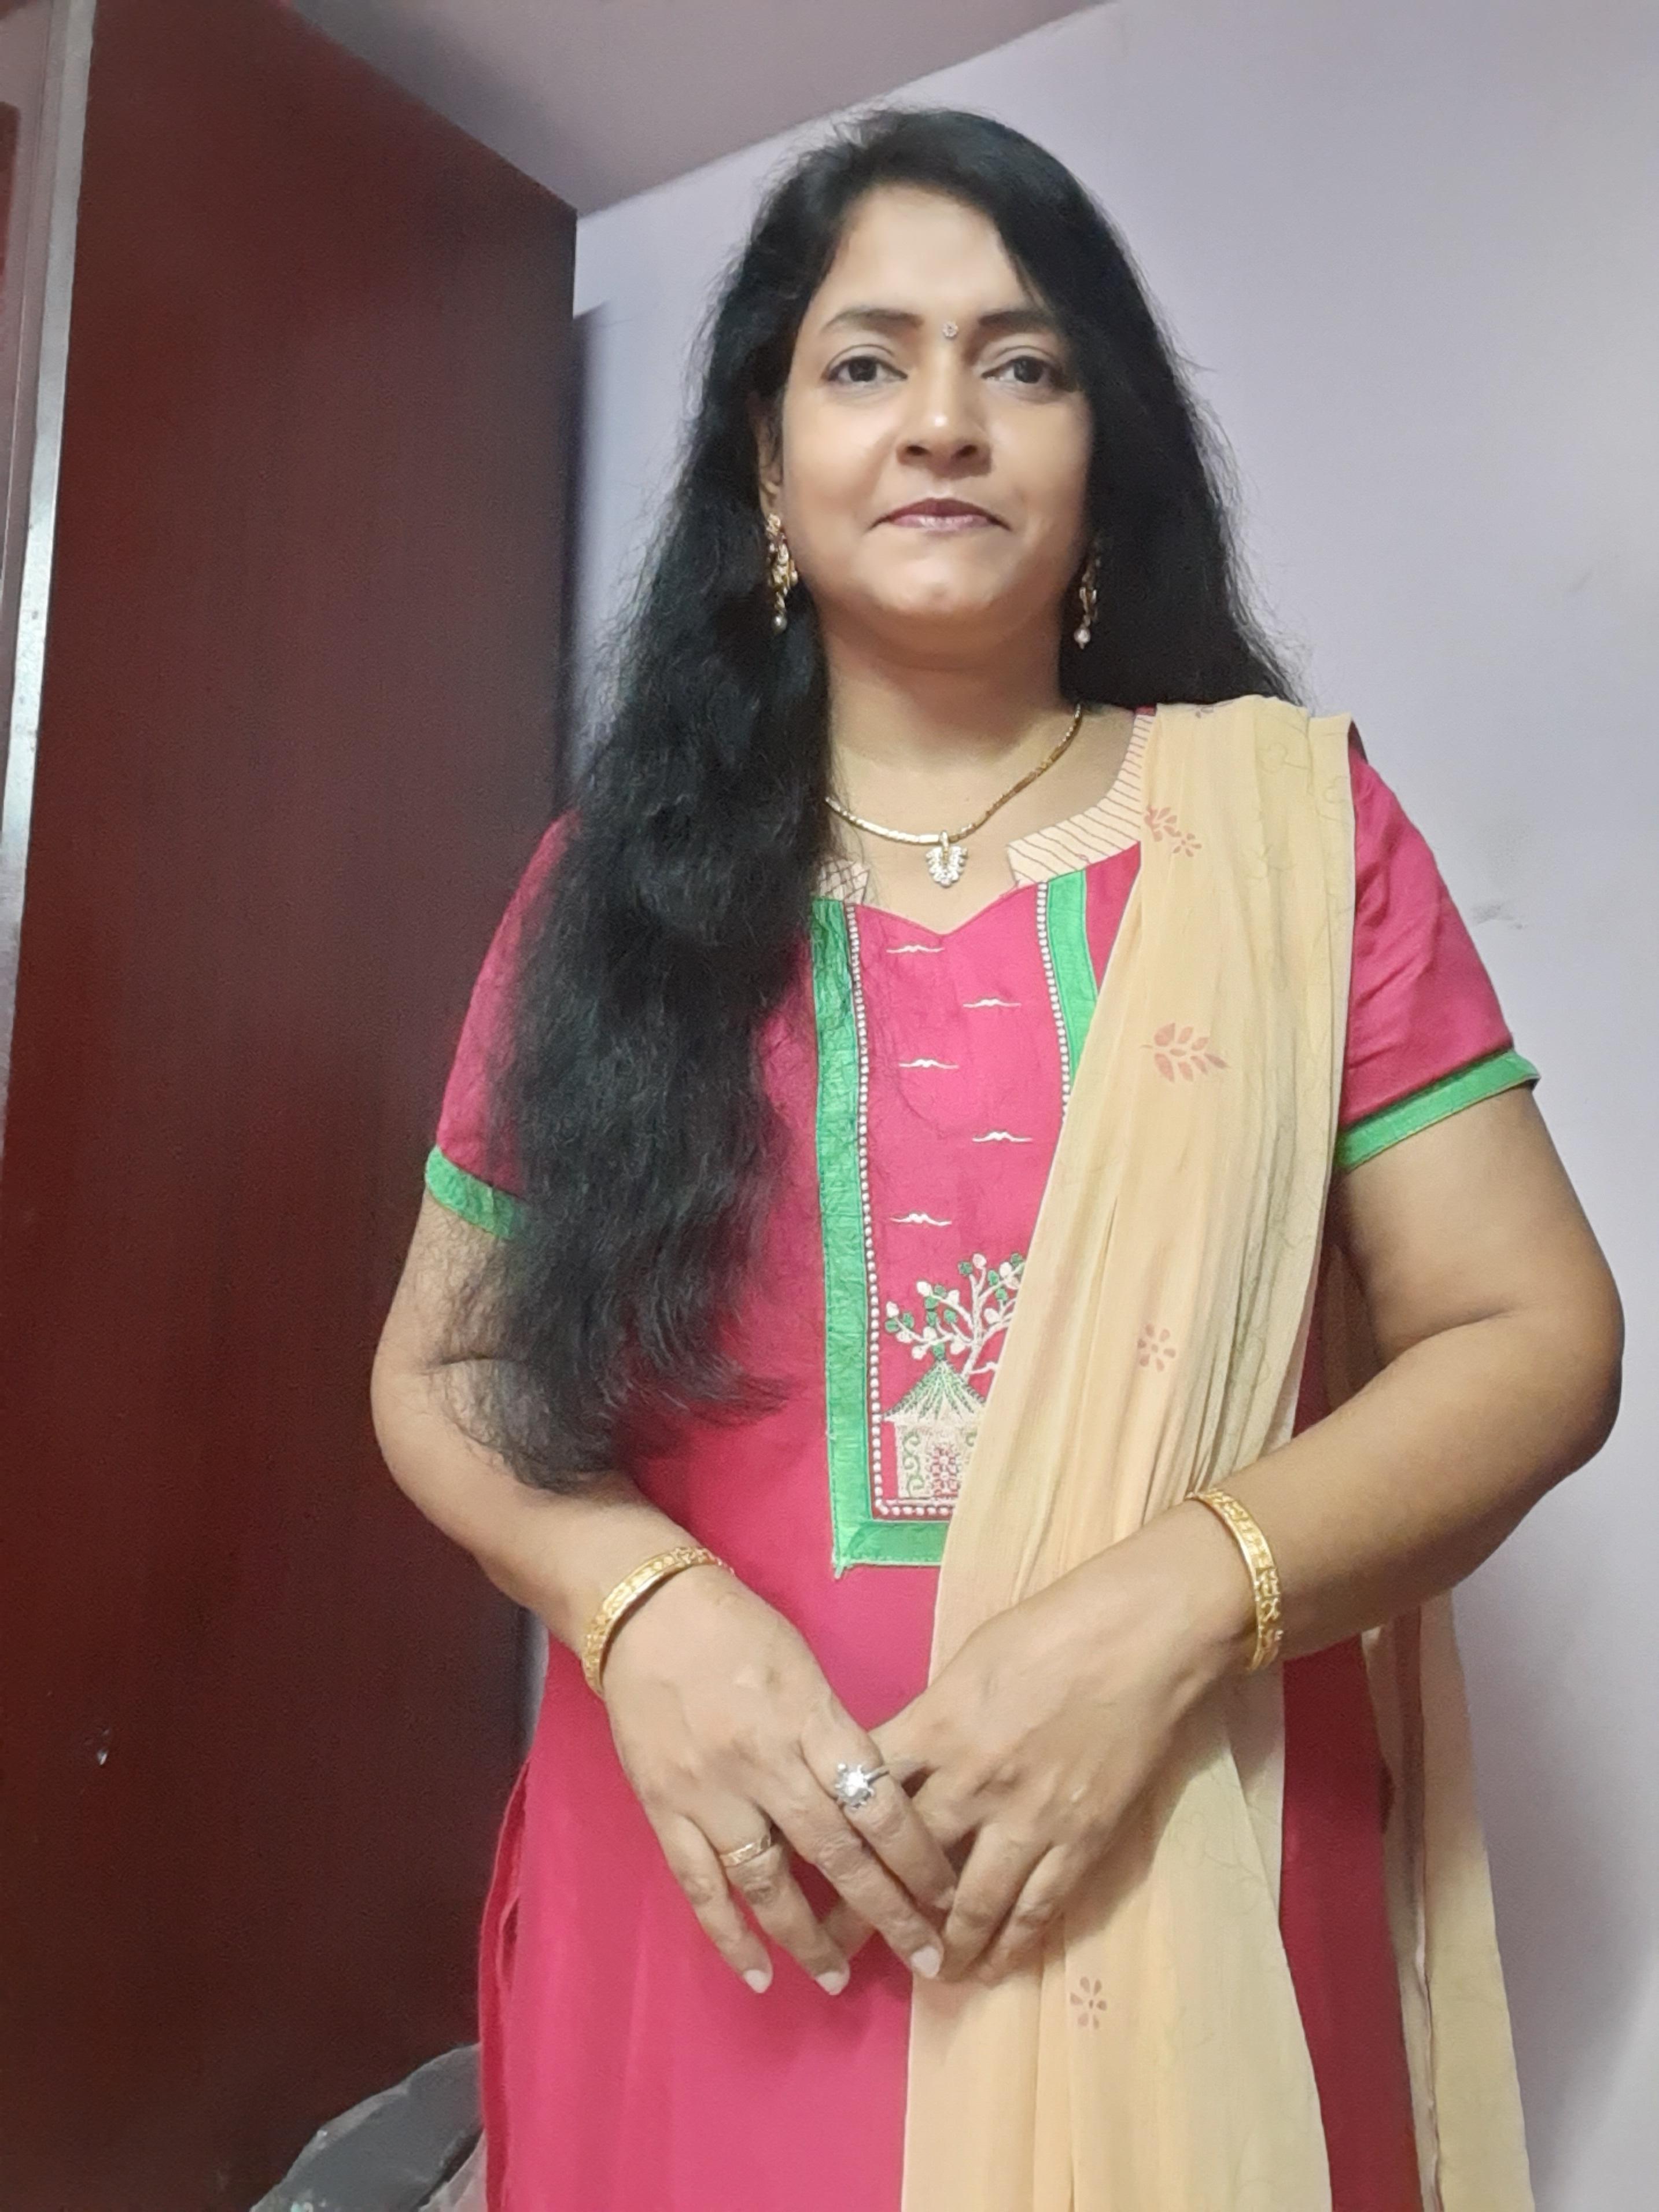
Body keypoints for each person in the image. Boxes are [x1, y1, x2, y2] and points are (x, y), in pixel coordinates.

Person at [371, 108, 1621, 2212]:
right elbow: (445, 1369)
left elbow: (1530, 1333)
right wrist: (635, 1603)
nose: (942, 418)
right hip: (719, 1891)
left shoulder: (1286, 842)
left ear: (1102, 456)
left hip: (1172, 1867)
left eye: (1020, 364)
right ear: (768, 467)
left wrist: (1165, 1612)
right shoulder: (616, 891)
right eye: (865, 362)